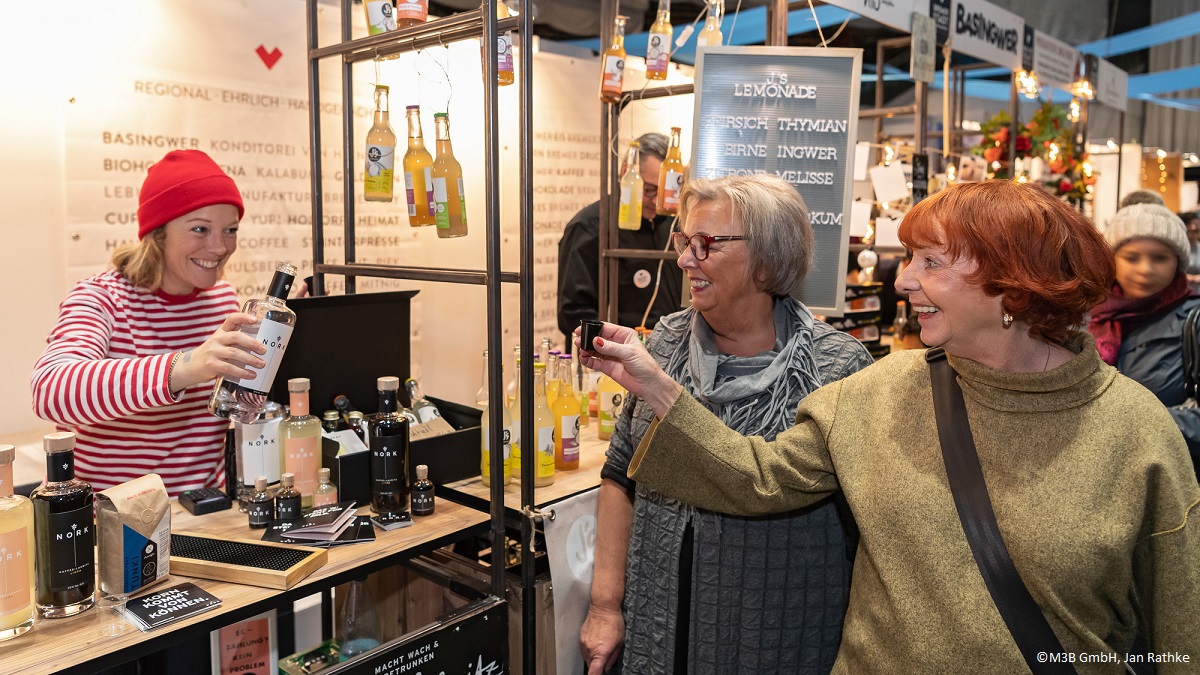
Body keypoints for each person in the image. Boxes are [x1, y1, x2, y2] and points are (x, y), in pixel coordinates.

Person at [578, 180, 1200, 672]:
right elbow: (759, 478)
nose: (902, 280)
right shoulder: (885, 389)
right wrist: (654, 383)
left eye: (930, 261)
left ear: (1013, 283)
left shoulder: (1135, 432)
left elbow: (1178, 640)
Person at [579, 175, 872, 674]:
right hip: (658, 632)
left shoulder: (834, 370)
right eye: (684, 241)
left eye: (706, 244)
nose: (685, 260)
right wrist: (605, 607)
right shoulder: (666, 341)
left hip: (775, 642)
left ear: (767, 261)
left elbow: (861, 534)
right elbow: (620, 474)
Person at [32, 149, 268, 496]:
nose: (220, 247)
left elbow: (236, 407)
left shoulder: (223, 299)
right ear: (159, 234)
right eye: (200, 229)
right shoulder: (102, 297)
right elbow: (50, 390)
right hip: (111, 517)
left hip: (202, 513)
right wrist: (185, 367)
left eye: (230, 230)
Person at [1088, 204, 1200, 479]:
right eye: (1131, 257)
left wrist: (1136, 422)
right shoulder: (1088, 315)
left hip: (1167, 482)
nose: (1145, 269)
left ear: (1177, 263)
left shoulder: (1193, 321)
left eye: (1160, 258)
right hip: (1095, 480)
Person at [557, 132, 683, 350]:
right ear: (627, 172)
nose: (656, 201)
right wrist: (618, 347)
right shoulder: (590, 227)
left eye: (665, 192)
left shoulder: (673, 225)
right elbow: (573, 313)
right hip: (615, 357)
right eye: (649, 190)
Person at [1181, 211, 1200, 292]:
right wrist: (1194, 278)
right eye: (1188, 231)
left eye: (1196, 231)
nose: (1191, 236)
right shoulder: (1174, 249)